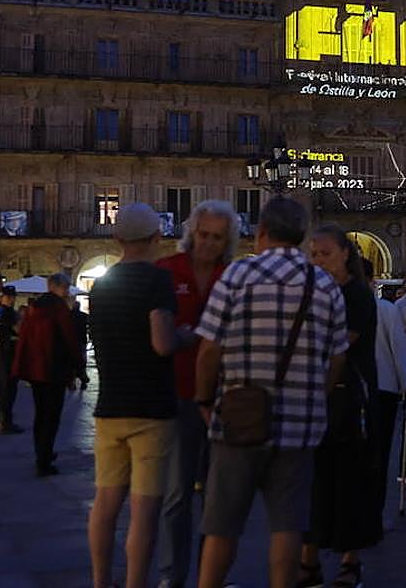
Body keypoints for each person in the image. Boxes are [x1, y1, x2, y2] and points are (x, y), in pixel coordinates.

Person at [193, 198, 348, 588]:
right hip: (300, 425)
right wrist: (315, 395)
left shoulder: (236, 275)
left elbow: (209, 349)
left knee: (222, 525)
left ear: (261, 232)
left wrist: (205, 400)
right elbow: (338, 357)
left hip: (239, 419)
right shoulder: (324, 285)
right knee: (287, 525)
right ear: (301, 236)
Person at [88, 203, 195, 588]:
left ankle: (101, 582)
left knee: (104, 504)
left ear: (117, 238)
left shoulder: (101, 285)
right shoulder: (157, 280)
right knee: (145, 511)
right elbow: (162, 342)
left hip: (109, 408)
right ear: (156, 237)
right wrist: (186, 336)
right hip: (151, 409)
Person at [154, 200, 238, 588]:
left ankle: (210, 578)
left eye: (217, 238)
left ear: (227, 241)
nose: (208, 243)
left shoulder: (232, 277)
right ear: (192, 232)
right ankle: (172, 577)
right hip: (176, 395)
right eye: (203, 234)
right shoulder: (166, 270)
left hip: (222, 397)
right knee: (177, 494)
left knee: (218, 498)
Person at [299, 225, 380, 588]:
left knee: (348, 482)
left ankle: (350, 561)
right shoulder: (314, 293)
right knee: (315, 482)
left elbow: (340, 343)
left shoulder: (357, 295)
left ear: (345, 253)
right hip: (319, 395)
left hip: (349, 399)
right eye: (314, 255)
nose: (318, 261)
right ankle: (309, 561)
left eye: (326, 254)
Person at [12, 272, 84, 476]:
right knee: (52, 415)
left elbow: (25, 336)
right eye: (66, 287)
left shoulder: (34, 307)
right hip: (54, 369)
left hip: (36, 369)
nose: (67, 291)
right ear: (55, 286)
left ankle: (42, 452)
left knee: (41, 413)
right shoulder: (58, 308)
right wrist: (78, 365)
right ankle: (44, 460)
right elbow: (69, 337)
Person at [367, 257, 406, 520]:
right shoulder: (387, 309)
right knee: (380, 451)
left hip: (350, 391)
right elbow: (399, 349)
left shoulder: (337, 306)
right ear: (373, 282)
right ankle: (375, 508)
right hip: (384, 387)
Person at [0, 286, 22, 434]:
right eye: (10, 297)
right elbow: (18, 330)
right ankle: (5, 422)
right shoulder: (9, 313)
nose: (12, 299)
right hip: (8, 353)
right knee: (8, 388)